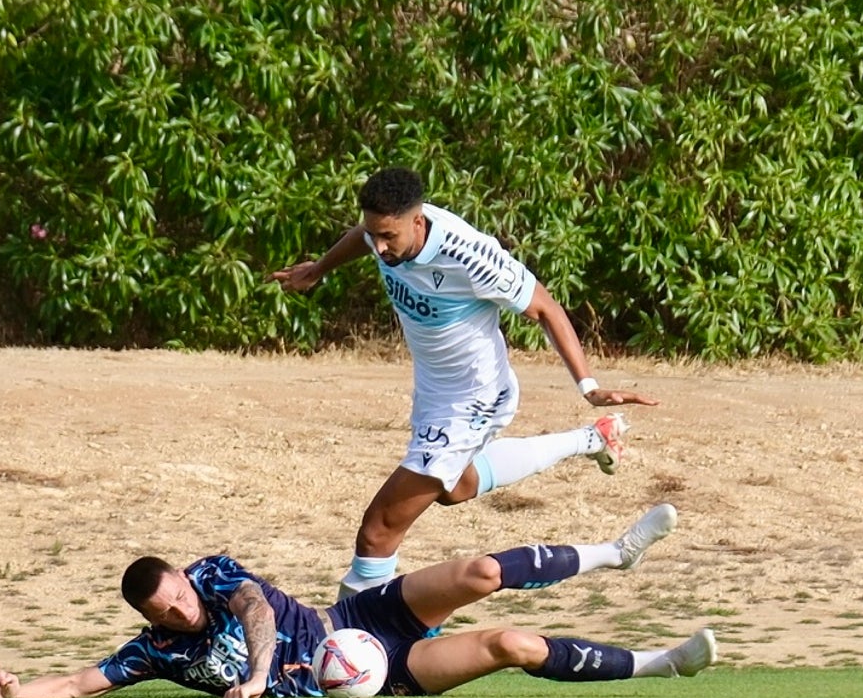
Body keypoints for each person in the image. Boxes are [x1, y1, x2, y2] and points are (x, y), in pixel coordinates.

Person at [271, 167, 660, 597]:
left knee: (379, 530)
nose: (379, 248)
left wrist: (588, 386)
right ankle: (592, 440)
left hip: (474, 398)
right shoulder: (385, 228)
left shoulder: (469, 256)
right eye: (373, 235)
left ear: (417, 222)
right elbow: (359, 237)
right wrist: (320, 268)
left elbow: (546, 307)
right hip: (434, 392)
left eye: (388, 237)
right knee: (454, 488)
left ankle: (358, 641)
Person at [0, 503, 717, 698]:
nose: (181, 612)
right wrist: (15, 695)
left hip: (356, 620)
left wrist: (259, 677)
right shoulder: (157, 653)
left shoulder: (213, 574)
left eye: (177, 597)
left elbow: (259, 612)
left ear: (180, 574)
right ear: (149, 621)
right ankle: (660, 664)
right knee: (507, 645)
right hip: (378, 672)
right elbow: (77, 683)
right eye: (165, 613)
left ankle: (615, 553)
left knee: (480, 570)